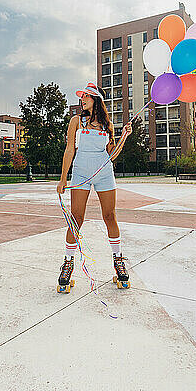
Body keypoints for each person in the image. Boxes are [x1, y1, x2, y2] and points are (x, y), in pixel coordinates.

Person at [56, 82, 132, 292]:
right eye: (82, 96)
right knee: (76, 218)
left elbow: (112, 155)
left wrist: (124, 137)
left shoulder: (108, 125)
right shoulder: (76, 121)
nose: (83, 99)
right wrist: (63, 179)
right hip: (80, 173)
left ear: (96, 99)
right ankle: (68, 263)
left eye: (87, 96)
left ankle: (118, 260)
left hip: (104, 174)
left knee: (110, 215)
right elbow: (69, 150)